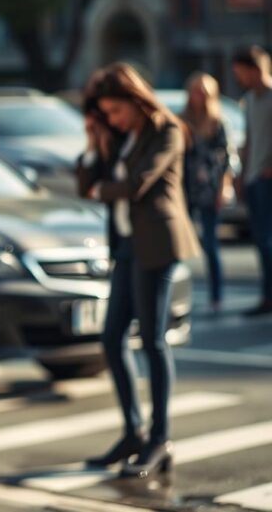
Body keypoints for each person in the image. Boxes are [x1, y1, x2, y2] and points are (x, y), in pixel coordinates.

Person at [76, 63, 200, 479]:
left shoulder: (166, 129)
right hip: (127, 247)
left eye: (116, 110)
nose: (112, 119)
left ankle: (159, 439)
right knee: (112, 338)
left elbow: (137, 184)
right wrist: (94, 143)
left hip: (158, 245)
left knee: (152, 340)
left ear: (134, 99)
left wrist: (102, 188)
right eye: (106, 114)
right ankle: (133, 432)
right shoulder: (118, 136)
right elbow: (85, 184)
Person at [181, 72, 230, 313]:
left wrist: (223, 188)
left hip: (209, 188)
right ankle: (178, 293)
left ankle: (216, 296)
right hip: (186, 187)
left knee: (210, 245)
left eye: (204, 92)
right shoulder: (182, 120)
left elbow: (225, 160)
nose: (199, 96)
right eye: (196, 91)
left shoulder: (217, 122)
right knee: (179, 244)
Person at [232, 46, 272, 317]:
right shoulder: (249, 100)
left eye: (241, 73)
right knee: (260, 240)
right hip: (253, 177)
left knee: (268, 240)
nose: (239, 78)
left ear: (255, 69)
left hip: (268, 177)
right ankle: (267, 296)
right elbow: (247, 141)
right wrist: (241, 174)